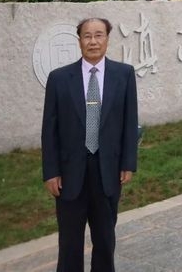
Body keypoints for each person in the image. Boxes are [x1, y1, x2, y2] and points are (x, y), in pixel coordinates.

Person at [41, 17, 138, 272]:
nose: (93, 41)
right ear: (79, 40)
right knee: (69, 242)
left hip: (108, 171)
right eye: (87, 36)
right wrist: (51, 171)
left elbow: (130, 122)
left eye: (98, 35)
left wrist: (128, 162)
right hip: (69, 174)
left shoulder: (124, 75)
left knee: (105, 240)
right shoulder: (59, 79)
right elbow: (49, 130)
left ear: (107, 39)